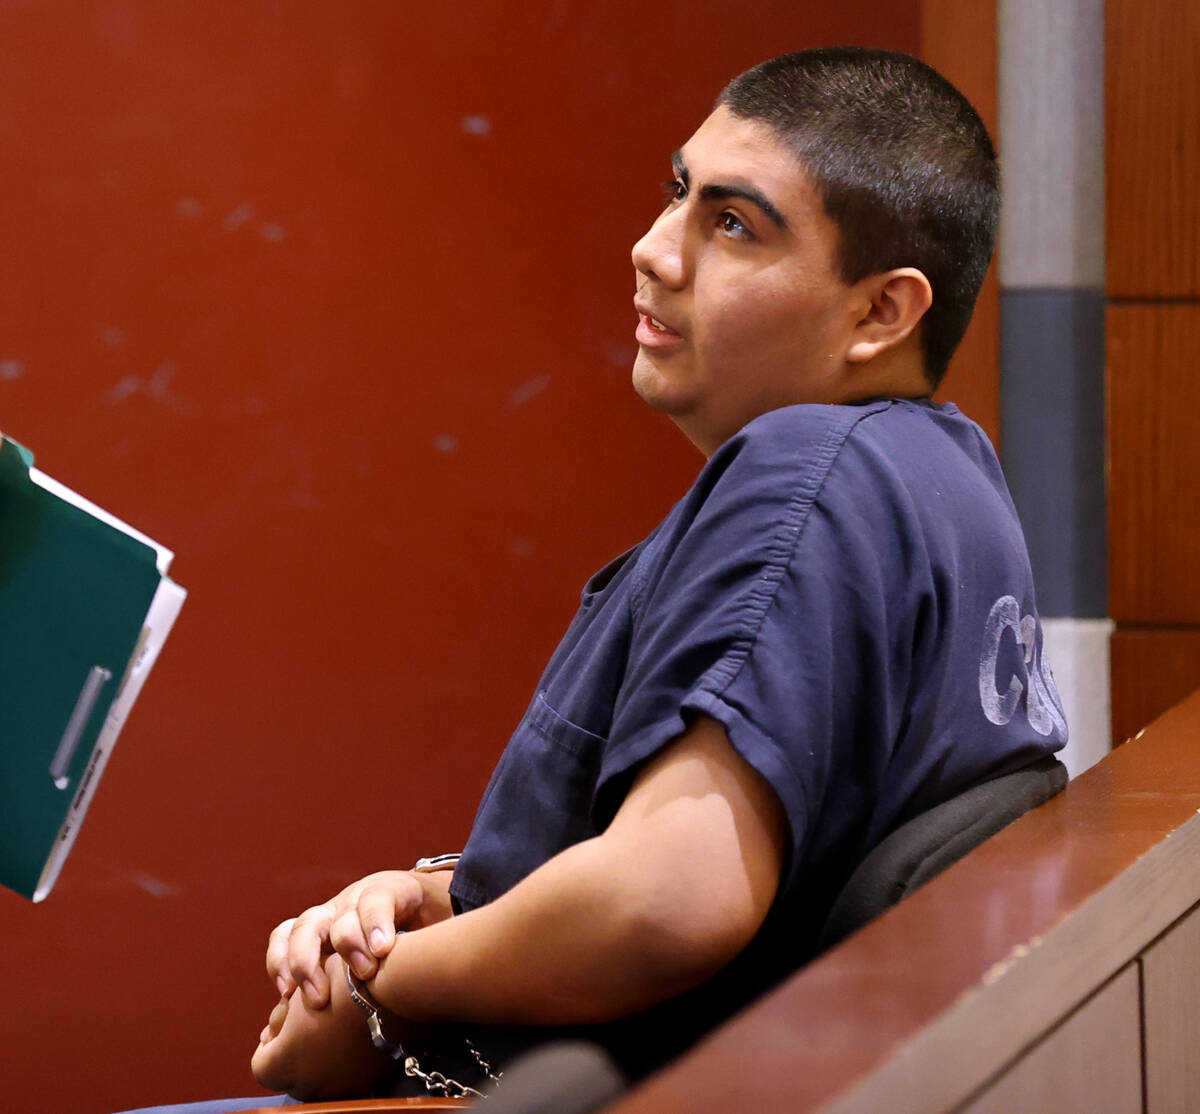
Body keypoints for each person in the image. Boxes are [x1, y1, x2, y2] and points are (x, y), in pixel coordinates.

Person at [127, 46, 1067, 1111]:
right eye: (679, 193)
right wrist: (437, 895)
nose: (654, 251)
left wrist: (378, 987)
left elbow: (673, 896)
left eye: (733, 224)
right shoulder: (944, 468)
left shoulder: (801, 473)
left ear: (880, 313)